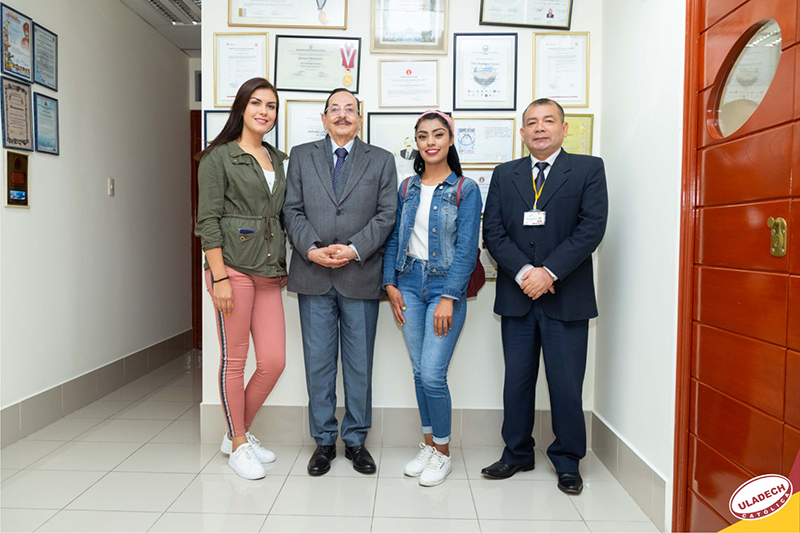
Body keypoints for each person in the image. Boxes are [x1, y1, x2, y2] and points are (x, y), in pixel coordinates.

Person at [481, 98, 608, 494]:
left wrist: (548, 272)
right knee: (516, 381)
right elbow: (494, 233)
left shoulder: (588, 169)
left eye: (548, 121)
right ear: (522, 133)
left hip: (566, 297)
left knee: (566, 383)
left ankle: (568, 460)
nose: (540, 128)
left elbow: (591, 229)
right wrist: (524, 273)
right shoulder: (506, 174)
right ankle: (516, 453)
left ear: (564, 128)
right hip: (518, 297)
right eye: (532, 123)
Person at [283, 88, 397, 476]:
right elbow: (291, 209)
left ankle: (356, 442)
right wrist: (312, 248)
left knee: (359, 366)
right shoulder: (301, 156)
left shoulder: (381, 161)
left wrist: (352, 249)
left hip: (360, 274)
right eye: (336, 109)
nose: (343, 115)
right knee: (318, 364)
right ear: (323, 117)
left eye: (350, 109)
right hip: (312, 272)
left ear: (360, 118)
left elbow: (387, 215)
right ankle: (324, 442)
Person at [195, 77, 288, 480]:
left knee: (273, 361)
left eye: (271, 106)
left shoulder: (278, 159)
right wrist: (219, 279)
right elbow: (207, 221)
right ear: (242, 108)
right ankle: (237, 443)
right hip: (231, 267)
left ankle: (237, 431)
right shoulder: (218, 157)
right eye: (256, 103)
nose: (264, 111)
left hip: (268, 271)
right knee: (235, 361)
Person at [383, 111, 481, 486]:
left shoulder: (465, 189)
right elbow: (395, 238)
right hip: (408, 283)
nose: (431, 142)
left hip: (444, 286)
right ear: (417, 144)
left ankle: (442, 453)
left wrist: (450, 297)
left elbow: (468, 248)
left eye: (438, 134)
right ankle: (428, 446)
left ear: (450, 139)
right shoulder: (407, 187)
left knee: (434, 375)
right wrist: (389, 282)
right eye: (423, 136)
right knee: (419, 372)